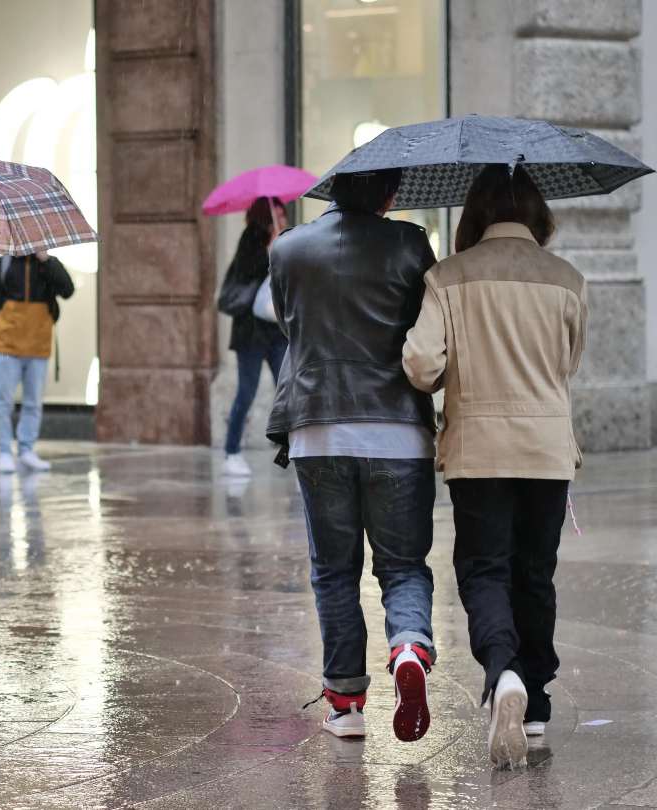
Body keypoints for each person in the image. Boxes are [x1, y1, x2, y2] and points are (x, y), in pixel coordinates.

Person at [402, 164, 587, 768]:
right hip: (547, 448)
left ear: (474, 214)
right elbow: (568, 364)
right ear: (539, 214)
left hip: (478, 450)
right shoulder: (567, 279)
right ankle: (534, 705)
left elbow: (422, 366)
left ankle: (503, 671)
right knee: (535, 573)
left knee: (484, 570)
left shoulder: (447, 277)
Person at [268, 170, 439, 742]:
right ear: (390, 196)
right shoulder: (411, 244)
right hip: (397, 428)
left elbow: (290, 324)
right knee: (403, 565)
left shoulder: (288, 249)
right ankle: (410, 646)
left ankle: (345, 703)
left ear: (332, 192)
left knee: (333, 571)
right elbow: (424, 328)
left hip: (317, 428)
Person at [220, 196, 289, 478]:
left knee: (287, 390)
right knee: (245, 393)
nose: (283, 220)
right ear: (266, 216)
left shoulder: (282, 242)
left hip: (275, 330)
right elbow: (248, 271)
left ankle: (291, 451)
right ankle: (231, 452)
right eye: (280, 215)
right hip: (250, 333)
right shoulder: (250, 240)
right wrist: (270, 252)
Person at [0, 250, 74, 473]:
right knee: (2, 401)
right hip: (8, 342)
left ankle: (26, 450)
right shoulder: (4, 262)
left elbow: (67, 290)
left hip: (38, 342)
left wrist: (47, 261)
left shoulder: (48, 264)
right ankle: (4, 450)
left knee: (33, 401)